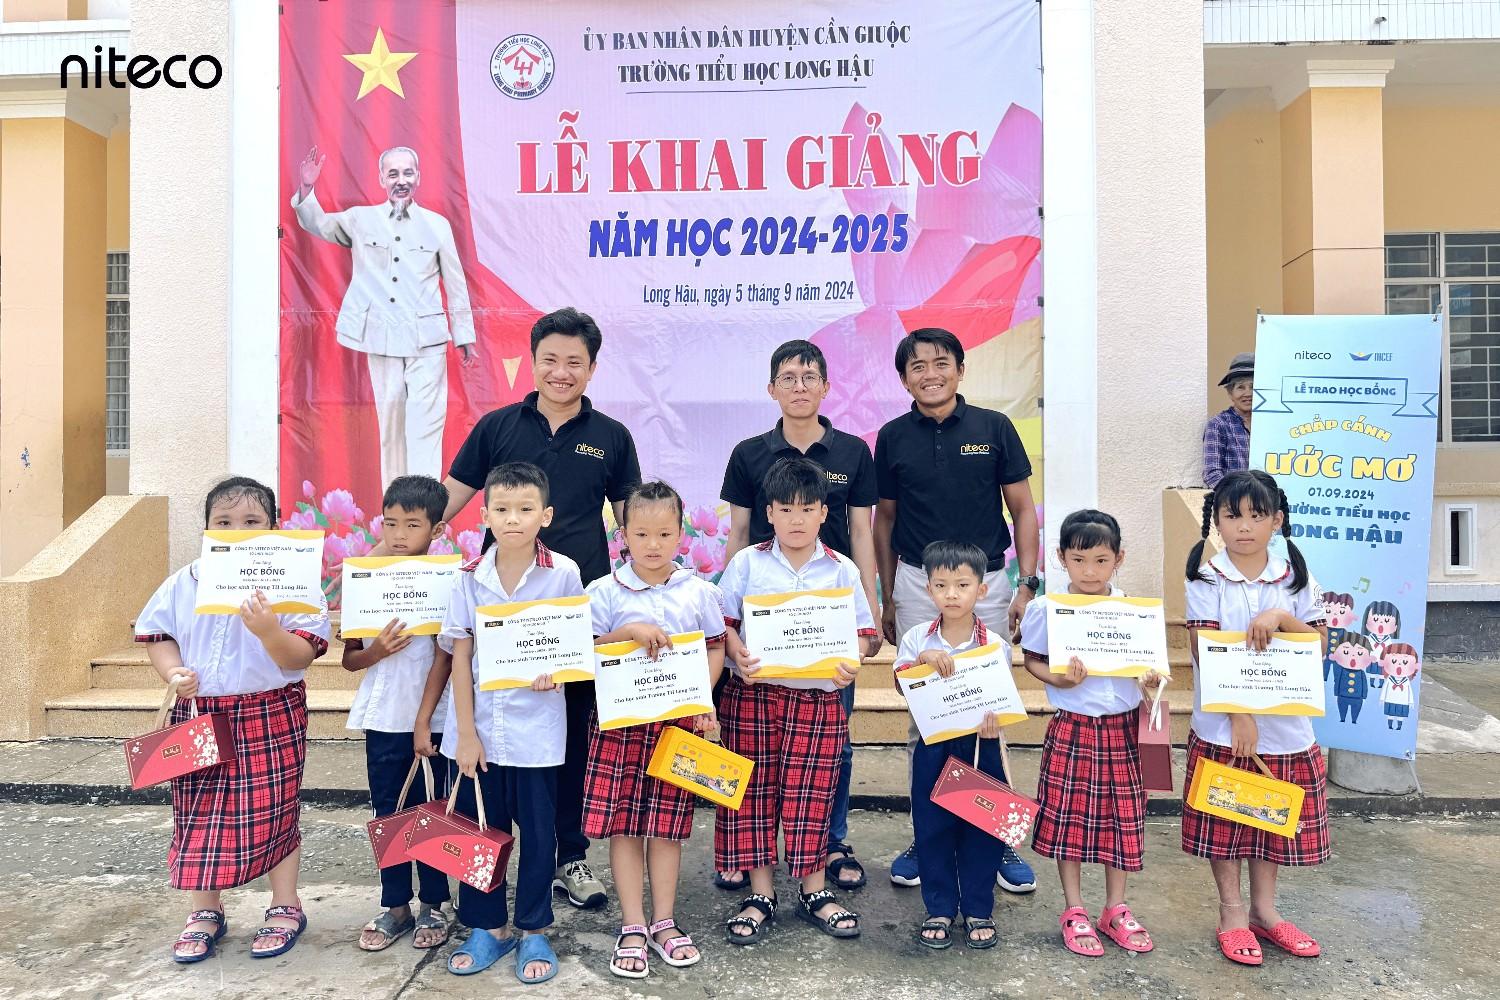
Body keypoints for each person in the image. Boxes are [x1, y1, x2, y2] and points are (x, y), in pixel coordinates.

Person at [443, 307, 642, 910]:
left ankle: (569, 856)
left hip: (573, 610)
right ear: (532, 361)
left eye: (574, 362)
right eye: (550, 359)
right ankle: (491, 856)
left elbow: (637, 520)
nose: (561, 372)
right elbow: (452, 497)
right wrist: (384, 560)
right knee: (497, 742)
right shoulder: (499, 425)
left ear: (592, 368)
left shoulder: (611, 436)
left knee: (570, 739)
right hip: (499, 609)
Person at [137, 476, 331, 963]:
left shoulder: (295, 584)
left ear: (275, 526)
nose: (237, 530)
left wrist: (268, 629)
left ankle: (285, 904)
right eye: (224, 522)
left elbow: (301, 655)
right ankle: (205, 911)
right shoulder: (187, 580)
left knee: (277, 809)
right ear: (207, 529)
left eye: (252, 521)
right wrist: (172, 670)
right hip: (201, 712)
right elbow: (158, 632)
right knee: (197, 813)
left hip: (271, 709)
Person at [873, 327, 1039, 892]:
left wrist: (1026, 583)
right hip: (919, 582)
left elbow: (1022, 509)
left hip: (987, 581)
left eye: (940, 363)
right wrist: (889, 593)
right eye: (916, 366)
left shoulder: (993, 427)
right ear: (903, 379)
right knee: (931, 714)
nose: (930, 373)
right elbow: (885, 520)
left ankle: (998, 839)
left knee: (987, 712)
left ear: (960, 369)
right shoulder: (893, 437)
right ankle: (931, 834)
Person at [716, 339, 880, 893]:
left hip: (829, 635)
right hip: (763, 648)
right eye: (788, 377)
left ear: (826, 385)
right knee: (753, 758)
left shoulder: (855, 452)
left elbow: (862, 535)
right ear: (772, 389)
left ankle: (830, 842)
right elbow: (739, 534)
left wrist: (870, 623)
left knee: (832, 746)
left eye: (810, 376)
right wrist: (730, 641)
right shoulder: (748, 454)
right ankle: (748, 852)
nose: (800, 385)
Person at [1183, 469, 1329, 967]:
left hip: (1286, 728)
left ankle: (1266, 912)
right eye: (1232, 515)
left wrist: (1281, 618)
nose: (1244, 526)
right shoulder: (1205, 580)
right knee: (1227, 820)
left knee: (1269, 816)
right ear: (1216, 524)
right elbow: (1204, 650)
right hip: (1227, 728)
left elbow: (1318, 644)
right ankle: (1232, 913)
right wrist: (1239, 716)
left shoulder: (1297, 578)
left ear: (1277, 521)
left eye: (1256, 515)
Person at [440, 462, 579, 983]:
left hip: (537, 731)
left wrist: (556, 673)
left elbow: (570, 643)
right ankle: (487, 926)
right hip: (478, 734)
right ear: (486, 514)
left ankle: (533, 929)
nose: (513, 519)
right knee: (481, 832)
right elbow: (459, 657)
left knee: (540, 836)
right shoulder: (467, 577)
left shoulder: (562, 572)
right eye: (502, 509)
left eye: (525, 509)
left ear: (545, 514)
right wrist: (467, 733)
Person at [582, 481, 727, 978]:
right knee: (623, 826)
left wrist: (701, 698)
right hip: (619, 727)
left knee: (667, 827)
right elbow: (585, 652)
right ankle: (632, 923)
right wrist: (625, 634)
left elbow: (714, 648)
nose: (652, 544)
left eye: (664, 533)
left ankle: (665, 921)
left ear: (681, 534)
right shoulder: (602, 591)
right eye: (641, 533)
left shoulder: (698, 591)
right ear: (622, 534)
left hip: (677, 725)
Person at [1019, 510, 1164, 957]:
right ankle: (1075, 908)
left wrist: (1152, 682)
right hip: (1074, 728)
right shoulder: (1048, 608)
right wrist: (1058, 680)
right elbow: (1031, 659)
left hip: (1124, 729)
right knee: (1071, 819)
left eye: (1100, 561)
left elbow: (1152, 669)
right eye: (1079, 560)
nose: (1089, 571)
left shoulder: (1132, 612)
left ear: (1118, 559)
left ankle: (1115, 907)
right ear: (1061, 558)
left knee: (1121, 820)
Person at [292, 145, 477, 485]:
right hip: (381, 338)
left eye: (408, 173)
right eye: (393, 174)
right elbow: (318, 223)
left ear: (418, 177)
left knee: (426, 423)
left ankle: (426, 504)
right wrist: (307, 188)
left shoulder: (437, 225)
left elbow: (456, 282)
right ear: (381, 179)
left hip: (428, 341)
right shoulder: (361, 219)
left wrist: (464, 335)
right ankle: (396, 506)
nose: (401, 181)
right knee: (391, 426)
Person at [344, 475, 454, 952]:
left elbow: (448, 655)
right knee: (388, 812)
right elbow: (350, 657)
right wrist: (377, 652)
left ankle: (435, 903)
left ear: (437, 530)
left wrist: (424, 719)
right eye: (390, 523)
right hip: (383, 716)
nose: (399, 535)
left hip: (434, 721)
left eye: (412, 525)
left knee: (432, 811)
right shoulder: (366, 582)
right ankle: (395, 906)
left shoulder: (448, 582)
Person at [893, 541, 1013, 951]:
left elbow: (1003, 696)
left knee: (984, 825)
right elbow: (901, 684)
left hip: (982, 746)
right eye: (941, 585)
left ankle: (979, 909)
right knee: (932, 825)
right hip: (934, 746)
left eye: (962, 584)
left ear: (982, 590)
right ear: (928, 589)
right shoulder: (914, 639)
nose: (952, 594)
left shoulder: (994, 645)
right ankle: (939, 908)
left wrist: (995, 722)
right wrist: (920, 663)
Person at [1203, 352, 1254, 489]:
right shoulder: (1218, 425)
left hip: (1266, 505)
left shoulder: (1271, 424)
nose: (1248, 393)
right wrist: (1238, 498)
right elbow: (1212, 474)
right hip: (1233, 504)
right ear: (1230, 393)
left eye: (1253, 387)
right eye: (1240, 387)